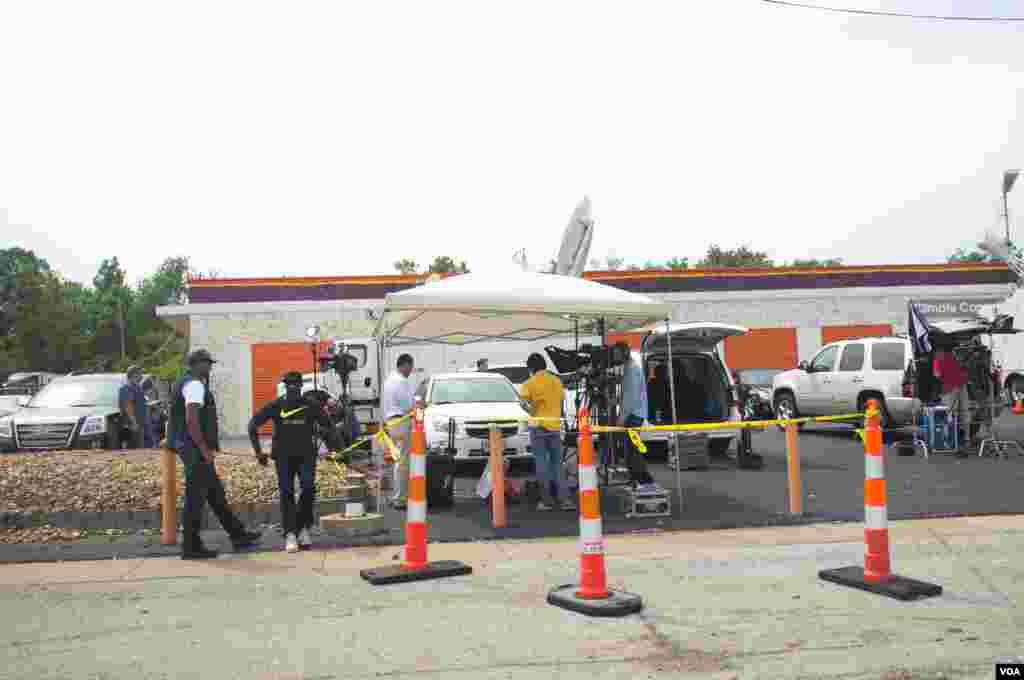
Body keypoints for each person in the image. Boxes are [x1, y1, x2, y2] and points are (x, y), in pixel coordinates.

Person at [167, 349, 261, 560]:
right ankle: (191, 547)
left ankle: (238, 535)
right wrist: (203, 449)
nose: (210, 367)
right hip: (195, 450)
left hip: (188, 447)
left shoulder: (182, 382)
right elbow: (192, 420)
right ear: (197, 364)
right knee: (195, 500)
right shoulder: (194, 385)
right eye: (208, 363)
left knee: (215, 494)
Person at [248, 371, 338, 554]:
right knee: (287, 491)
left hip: (306, 455)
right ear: (285, 387)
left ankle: (303, 528)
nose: (294, 389)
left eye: (297, 386)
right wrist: (258, 452)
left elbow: (329, 426)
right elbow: (252, 425)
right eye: (290, 386)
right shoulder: (276, 405)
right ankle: (290, 533)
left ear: (300, 387)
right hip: (283, 456)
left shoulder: (310, 405)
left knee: (307, 488)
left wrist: (331, 449)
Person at [520, 353, 575, 511]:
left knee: (542, 464)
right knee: (557, 465)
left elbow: (523, 403)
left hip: (538, 427)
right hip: (555, 427)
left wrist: (532, 411)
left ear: (531, 368)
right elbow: (561, 401)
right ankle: (565, 500)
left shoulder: (530, 383)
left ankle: (546, 501)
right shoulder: (557, 381)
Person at [381, 354, 416, 509]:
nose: (411, 370)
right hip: (401, 421)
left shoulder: (389, 380)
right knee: (403, 461)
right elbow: (408, 405)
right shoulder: (401, 381)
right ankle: (400, 498)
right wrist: (419, 405)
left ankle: (398, 496)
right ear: (404, 365)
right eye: (410, 367)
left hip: (391, 422)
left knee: (398, 460)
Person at [620, 351, 656, 486]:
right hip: (635, 414)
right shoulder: (632, 368)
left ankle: (642, 477)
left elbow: (631, 397)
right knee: (633, 447)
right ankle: (639, 476)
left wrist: (622, 417)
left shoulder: (632, 370)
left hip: (633, 416)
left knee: (632, 448)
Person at [933, 346, 972, 450]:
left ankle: (951, 440)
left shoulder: (937, 359)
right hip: (961, 385)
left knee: (950, 413)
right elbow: (965, 370)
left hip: (949, 388)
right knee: (964, 411)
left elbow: (937, 375)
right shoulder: (954, 356)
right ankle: (967, 439)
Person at [118, 366, 146, 449]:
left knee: (140, 449)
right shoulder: (127, 388)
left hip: (139, 424)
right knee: (133, 450)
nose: (142, 376)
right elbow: (128, 406)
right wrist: (134, 422)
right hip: (132, 426)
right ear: (134, 375)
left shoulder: (138, 388)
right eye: (140, 374)